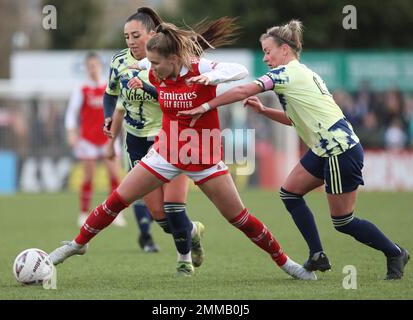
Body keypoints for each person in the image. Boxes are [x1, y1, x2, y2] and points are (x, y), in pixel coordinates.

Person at [49, 17, 316, 280]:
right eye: (149, 63)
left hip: (205, 158)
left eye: (155, 63)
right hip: (166, 152)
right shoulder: (153, 67)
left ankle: (286, 263)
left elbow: (239, 71)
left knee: (240, 219)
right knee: (118, 200)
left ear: (174, 60)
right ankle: (78, 244)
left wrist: (210, 77)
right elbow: (135, 65)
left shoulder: (199, 68)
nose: (150, 69)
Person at [179, 20, 410, 280]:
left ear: (285, 50)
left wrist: (206, 106)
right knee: (290, 193)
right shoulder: (304, 73)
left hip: (338, 150)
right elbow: (294, 119)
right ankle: (317, 254)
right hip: (324, 149)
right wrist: (265, 111)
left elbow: (243, 88)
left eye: (268, 51)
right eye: (263, 52)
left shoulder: (285, 74)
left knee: (343, 222)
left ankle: (395, 252)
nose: (265, 58)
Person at [103, 8, 206, 264]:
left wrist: (148, 88)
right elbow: (111, 94)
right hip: (136, 141)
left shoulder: (169, 61)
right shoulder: (118, 61)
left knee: (173, 208)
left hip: (168, 138)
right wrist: (108, 118)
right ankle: (192, 231)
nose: (131, 41)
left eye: (136, 35)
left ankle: (184, 262)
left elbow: (175, 98)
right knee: (160, 216)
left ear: (152, 34)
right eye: (126, 36)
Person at [64, 52, 126, 228]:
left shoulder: (109, 86)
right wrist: (71, 132)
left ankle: (117, 214)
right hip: (88, 140)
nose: (93, 69)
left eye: (95, 65)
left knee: (115, 175)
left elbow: (118, 111)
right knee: (88, 176)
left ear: (100, 66)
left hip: (108, 139)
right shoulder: (81, 88)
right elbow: (71, 113)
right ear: (86, 68)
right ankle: (84, 213)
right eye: (89, 66)